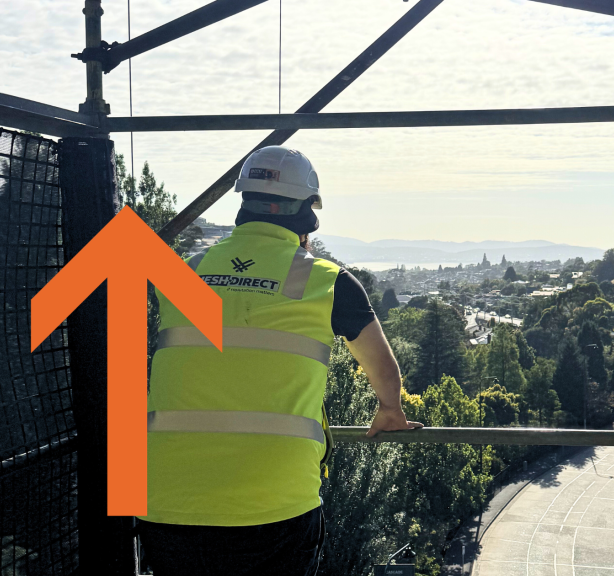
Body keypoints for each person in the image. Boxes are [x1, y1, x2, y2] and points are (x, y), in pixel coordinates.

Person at [137, 146, 422, 575]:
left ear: (243, 203)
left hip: (166, 500)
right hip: (274, 503)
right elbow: (382, 367)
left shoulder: (184, 271)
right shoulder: (328, 280)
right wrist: (390, 409)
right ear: (308, 212)